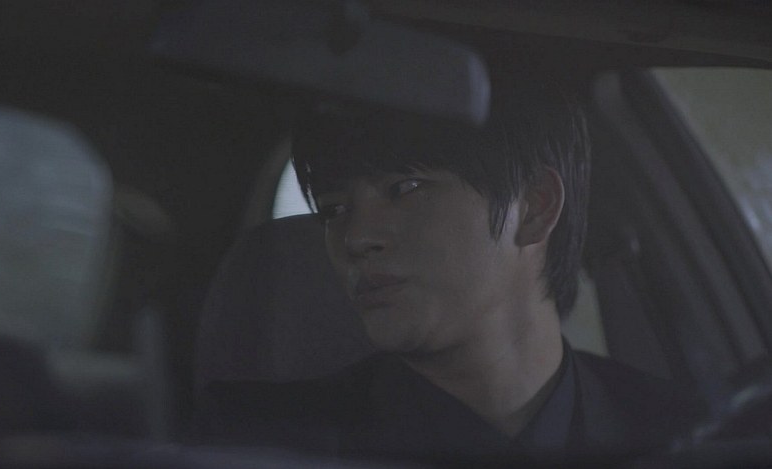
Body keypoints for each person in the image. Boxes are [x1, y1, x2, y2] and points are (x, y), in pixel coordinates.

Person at [196, 77, 702, 461]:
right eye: (333, 210)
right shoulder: (255, 444)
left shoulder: (688, 435)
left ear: (534, 206)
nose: (355, 238)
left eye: (404, 189)